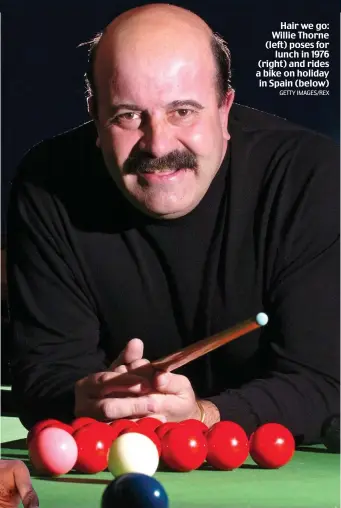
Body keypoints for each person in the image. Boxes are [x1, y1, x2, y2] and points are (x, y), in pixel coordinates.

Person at [6, 4, 339, 443]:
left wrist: (202, 415)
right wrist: (91, 396)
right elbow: (43, 378)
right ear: (94, 114)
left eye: (182, 111)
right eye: (128, 115)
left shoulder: (310, 176)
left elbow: (326, 380)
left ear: (225, 108)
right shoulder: (46, 182)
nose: (157, 143)